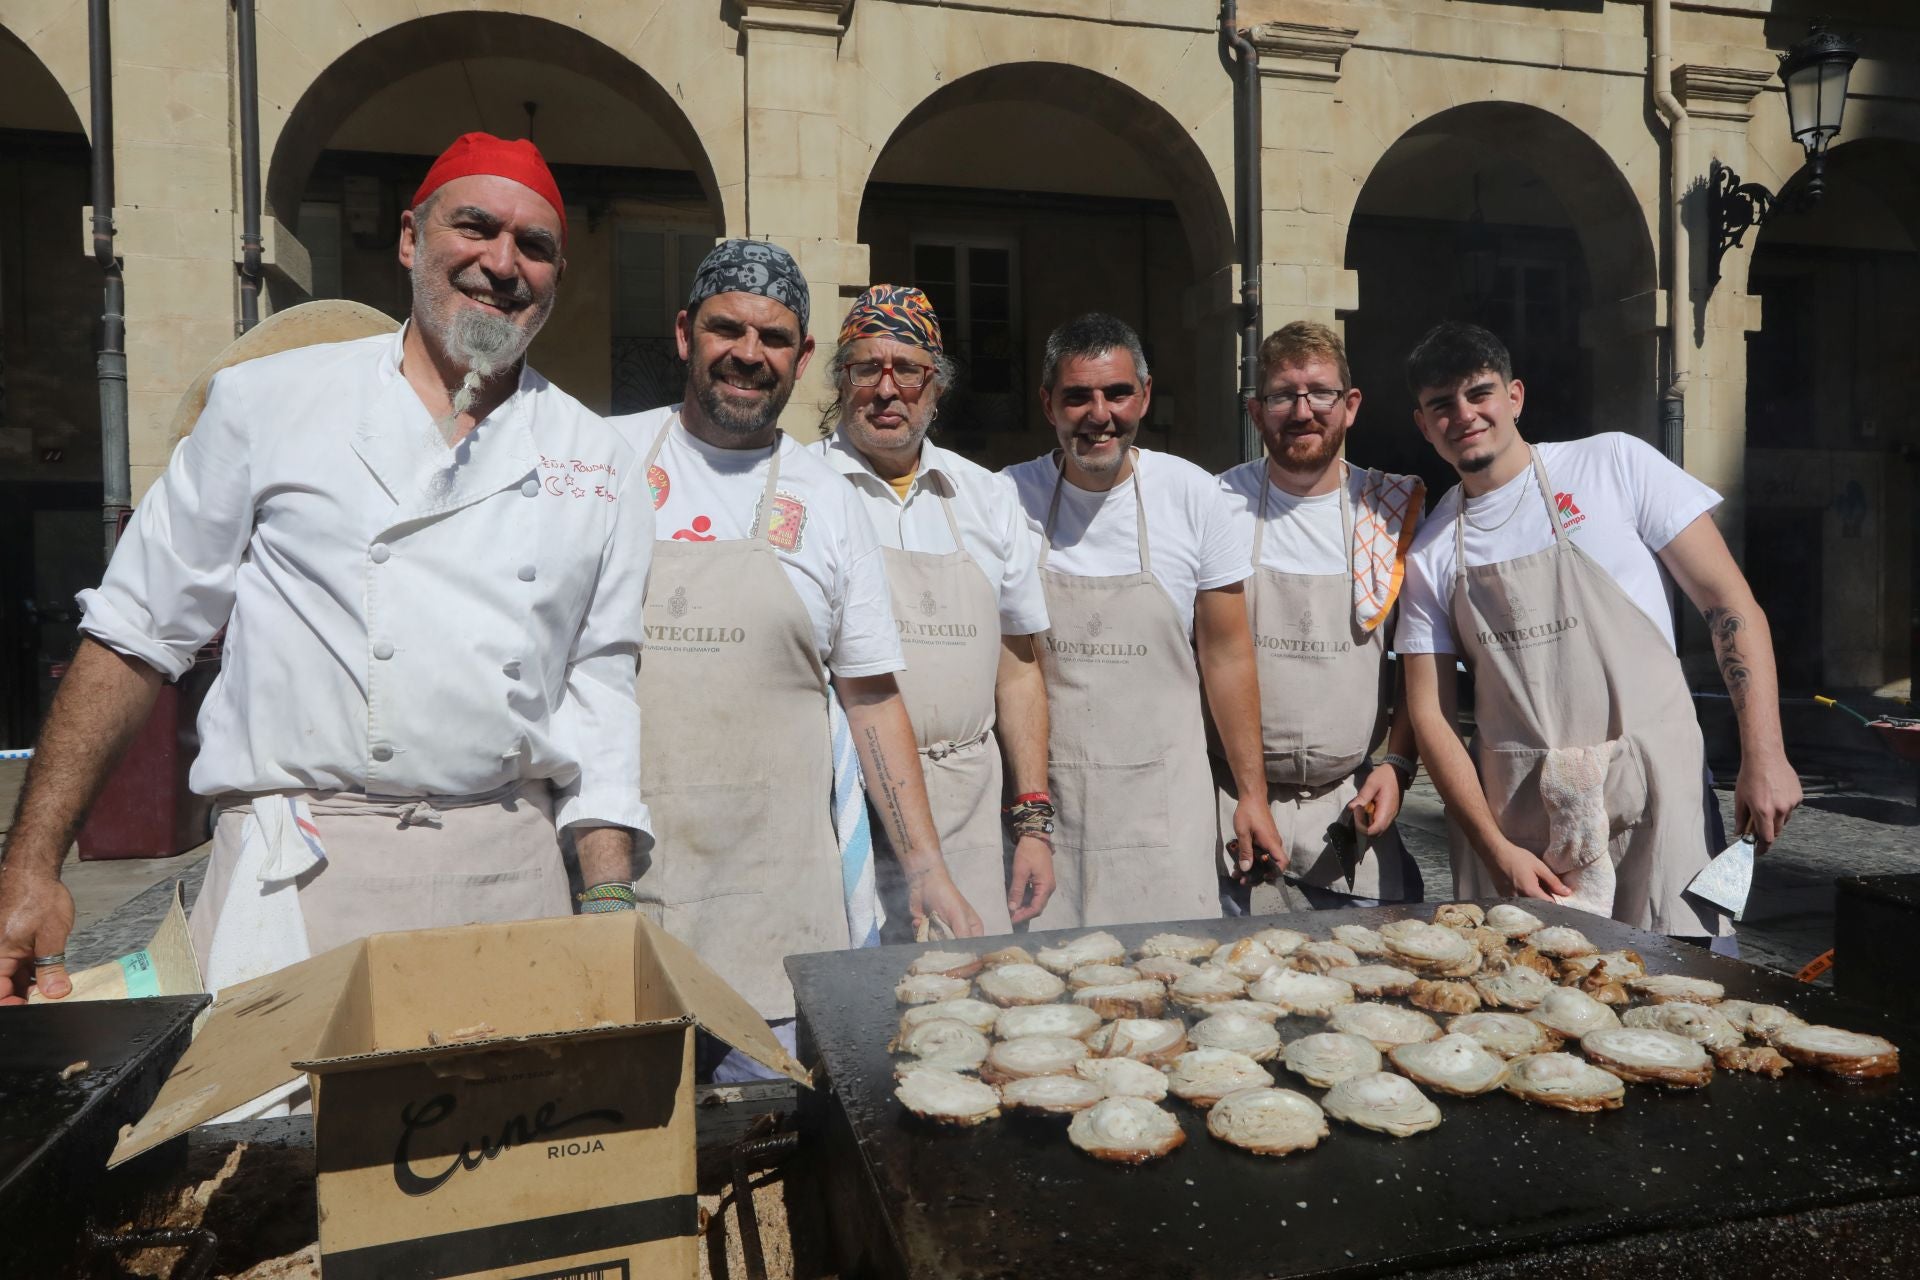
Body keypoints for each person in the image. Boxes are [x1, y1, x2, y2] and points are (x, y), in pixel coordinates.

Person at [0, 133, 651, 1004]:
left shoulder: (598, 460)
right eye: (475, 227)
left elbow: (599, 690)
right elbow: (133, 635)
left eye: (533, 245)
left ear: (557, 276)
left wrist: (607, 897)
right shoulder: (267, 403)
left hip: (510, 877)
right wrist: (31, 866)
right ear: (411, 239)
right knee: (274, 1099)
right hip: (297, 877)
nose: (502, 263)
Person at [609, 243, 983, 1045]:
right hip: (629, 890)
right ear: (684, 333)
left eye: (774, 338)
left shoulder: (828, 500)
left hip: (777, 902)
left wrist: (925, 868)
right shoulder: (608, 462)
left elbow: (871, 698)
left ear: (803, 357)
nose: (749, 354)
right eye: (727, 329)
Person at [1394, 321, 1801, 944]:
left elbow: (1728, 603)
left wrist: (1765, 754)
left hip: (1657, 801)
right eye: (1442, 404)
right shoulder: (1430, 551)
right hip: (1521, 832)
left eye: (1480, 393)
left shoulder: (1613, 463)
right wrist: (1494, 847)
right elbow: (1432, 716)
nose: (1464, 415)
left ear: (1515, 397)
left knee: (1683, 982)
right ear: (1424, 425)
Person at [1004, 313, 1284, 927]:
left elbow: (1227, 656)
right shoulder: (1005, 499)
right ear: (1048, 403)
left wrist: (1252, 795)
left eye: (1117, 393)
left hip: (1166, 809)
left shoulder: (1192, 495)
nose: (1099, 414)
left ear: (1146, 395)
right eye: (1077, 397)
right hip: (1049, 816)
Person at [818, 285, 1055, 934]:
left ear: (938, 386)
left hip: (968, 802)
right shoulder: (803, 491)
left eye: (908, 370)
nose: (886, 390)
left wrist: (1033, 821)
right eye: (866, 368)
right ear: (841, 380)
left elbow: (1019, 668)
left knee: (971, 984)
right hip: (843, 806)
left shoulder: (986, 497)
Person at [1215, 321, 1426, 911]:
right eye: (1283, 395)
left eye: (1321, 394)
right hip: (1231, 809)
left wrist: (1399, 764)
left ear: (1350, 405)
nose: (1303, 411)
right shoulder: (1215, 505)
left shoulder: (1390, 510)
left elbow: (1422, 658)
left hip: (1348, 807)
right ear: (1257, 412)